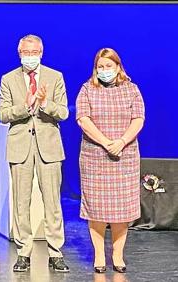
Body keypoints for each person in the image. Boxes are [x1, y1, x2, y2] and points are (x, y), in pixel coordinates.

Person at [0, 34, 70, 273]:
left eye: (34, 52)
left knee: (53, 202)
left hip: (49, 147)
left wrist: (43, 103)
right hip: (20, 148)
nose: (30, 57)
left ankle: (55, 252)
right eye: (25, 53)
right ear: (19, 54)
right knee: (21, 202)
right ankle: (23, 252)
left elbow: (63, 112)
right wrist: (26, 105)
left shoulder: (55, 77)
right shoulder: (8, 79)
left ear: (41, 52)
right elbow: (3, 114)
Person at [76, 47, 145, 273]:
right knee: (96, 209)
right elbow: (83, 119)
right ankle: (98, 254)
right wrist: (106, 143)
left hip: (124, 157)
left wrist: (122, 141)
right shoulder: (87, 89)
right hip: (95, 157)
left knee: (121, 210)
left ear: (118, 67)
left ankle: (117, 254)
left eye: (108, 66)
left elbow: (139, 119)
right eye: (100, 66)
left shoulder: (131, 90)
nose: (104, 70)